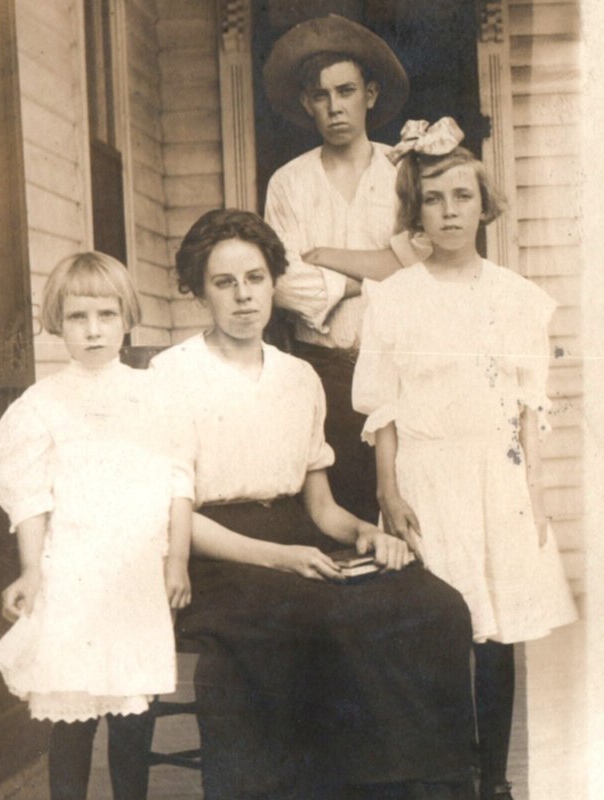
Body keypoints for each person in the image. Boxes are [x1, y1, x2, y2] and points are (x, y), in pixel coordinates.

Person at [151, 209, 476, 800]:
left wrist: (366, 536)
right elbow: (172, 513)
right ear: (199, 291)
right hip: (214, 551)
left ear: (274, 282)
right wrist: (279, 558)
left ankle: (422, 787)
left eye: (255, 278)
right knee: (324, 617)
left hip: (300, 538)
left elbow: (322, 508)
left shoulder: (299, 377)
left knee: (437, 605)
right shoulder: (170, 375)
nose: (244, 296)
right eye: (224, 283)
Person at [353, 118, 579, 800]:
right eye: (434, 199)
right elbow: (383, 408)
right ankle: (445, 769)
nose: (449, 212)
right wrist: (389, 492)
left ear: (484, 205)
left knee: (496, 633)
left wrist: (534, 495)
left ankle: (493, 778)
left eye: (462, 197)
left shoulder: (516, 298)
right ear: (414, 210)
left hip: (496, 477)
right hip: (426, 475)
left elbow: (526, 407)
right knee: (438, 626)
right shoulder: (392, 298)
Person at [0, 253, 195, 800]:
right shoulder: (43, 404)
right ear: (58, 322)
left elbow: (178, 479)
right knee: (71, 716)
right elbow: (30, 495)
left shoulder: (156, 396)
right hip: (73, 574)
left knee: (132, 714)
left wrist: (177, 559)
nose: (94, 330)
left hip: (136, 577)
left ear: (127, 316)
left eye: (106, 314)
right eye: (78, 317)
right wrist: (31, 570)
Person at [262, 15, 423, 522]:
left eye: (346, 90)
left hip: (400, 366)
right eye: (321, 95)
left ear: (369, 94)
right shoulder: (288, 184)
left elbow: (421, 267)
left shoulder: (402, 174)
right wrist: (372, 274)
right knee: (340, 512)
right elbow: (283, 282)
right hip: (321, 369)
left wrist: (332, 264)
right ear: (307, 103)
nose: (335, 107)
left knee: (408, 505)